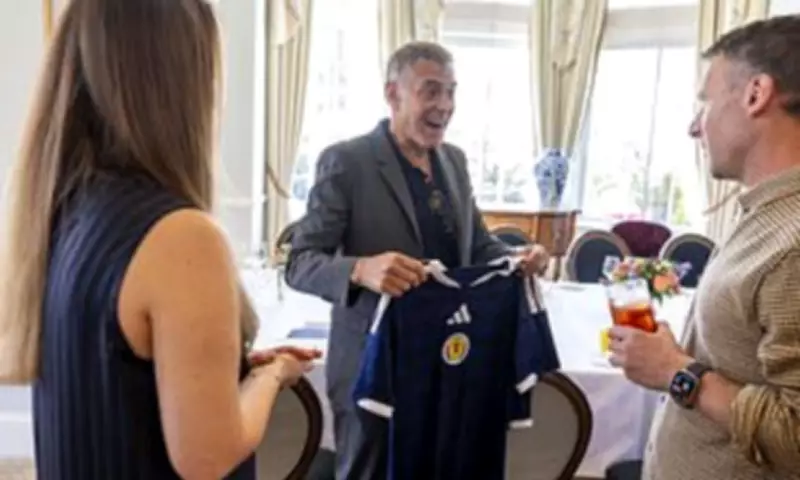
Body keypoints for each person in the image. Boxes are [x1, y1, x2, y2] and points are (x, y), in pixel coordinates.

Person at [0, 1, 319, 479]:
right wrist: (273, 375)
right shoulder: (181, 238)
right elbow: (208, 457)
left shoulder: (65, 213)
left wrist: (229, 373)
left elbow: (122, 382)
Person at [285, 41, 549, 480]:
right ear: (393, 94)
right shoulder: (347, 162)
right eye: (431, 91)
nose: (444, 105)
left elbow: (477, 246)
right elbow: (299, 262)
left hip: (449, 363)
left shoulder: (454, 161)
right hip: (373, 368)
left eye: (451, 92)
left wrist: (514, 258)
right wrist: (361, 269)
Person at [608, 15, 800, 480]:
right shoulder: (763, 210)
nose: (695, 127)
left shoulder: (792, 241)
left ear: (756, 94)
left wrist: (678, 373)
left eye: (706, 102)